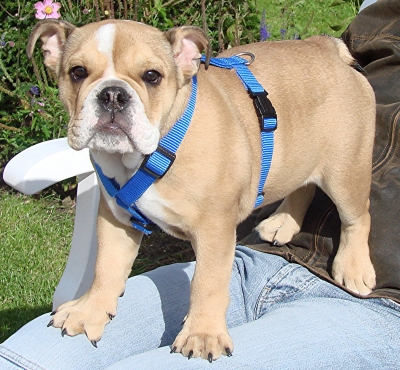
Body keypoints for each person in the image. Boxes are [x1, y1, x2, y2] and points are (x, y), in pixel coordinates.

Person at [2, 0, 400, 368]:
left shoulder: (202, 148)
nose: (112, 98)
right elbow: (119, 209)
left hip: (370, 304)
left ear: (185, 61)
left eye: (149, 77)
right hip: (254, 265)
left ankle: (354, 228)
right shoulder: (119, 144)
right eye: (79, 73)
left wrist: (206, 318)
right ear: (52, 56)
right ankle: (104, 296)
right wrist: (100, 293)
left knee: (344, 185)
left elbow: (213, 224)